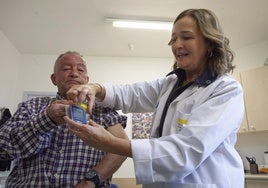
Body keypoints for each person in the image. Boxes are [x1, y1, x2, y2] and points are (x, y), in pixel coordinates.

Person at [64, 9, 245, 188]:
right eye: (174, 39)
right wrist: (94, 88)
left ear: (209, 43)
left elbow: (185, 152)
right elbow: (131, 94)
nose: (177, 45)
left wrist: (110, 143)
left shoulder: (225, 89)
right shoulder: (170, 84)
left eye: (186, 37)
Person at [0, 51, 128, 188]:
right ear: (54, 78)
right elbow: (3, 149)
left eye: (80, 69)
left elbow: (121, 147)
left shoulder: (103, 110)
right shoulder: (31, 106)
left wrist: (91, 180)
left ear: (86, 80)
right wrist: (46, 119)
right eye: (66, 68)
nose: (74, 73)